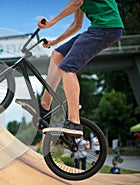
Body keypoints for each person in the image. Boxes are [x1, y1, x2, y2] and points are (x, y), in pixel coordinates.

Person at [38, 0, 124, 136]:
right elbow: (77, 25)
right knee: (57, 54)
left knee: (67, 68)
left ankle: (74, 121)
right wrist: (55, 42)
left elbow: (77, 2)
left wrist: (52, 22)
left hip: (106, 29)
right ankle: (44, 106)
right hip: (99, 29)